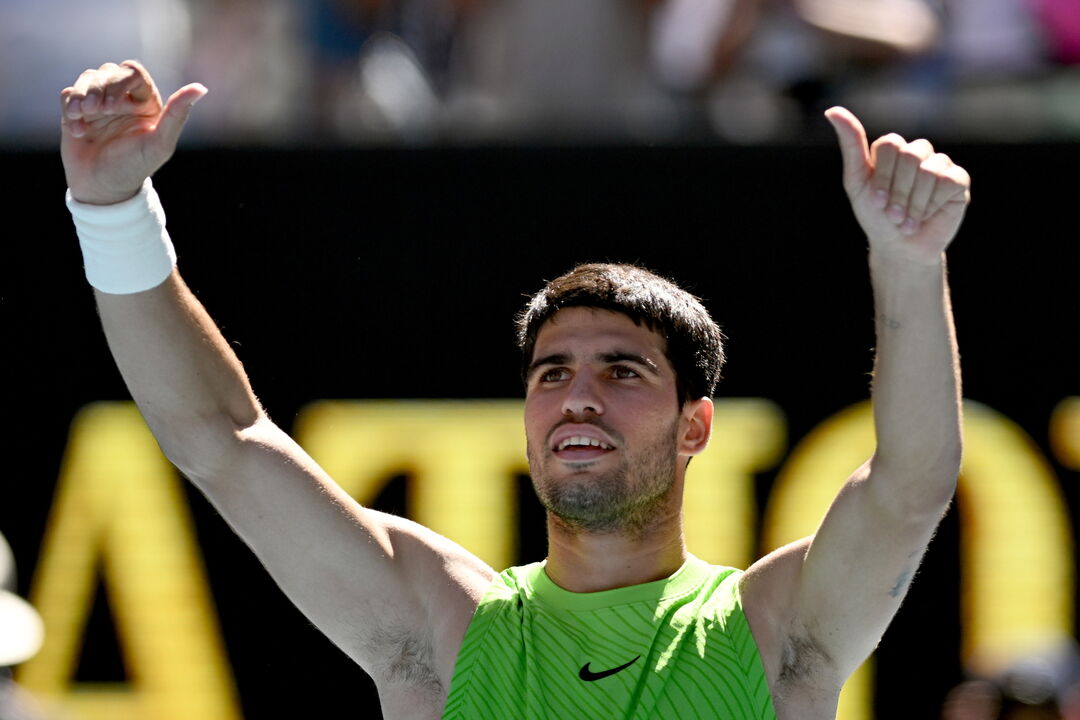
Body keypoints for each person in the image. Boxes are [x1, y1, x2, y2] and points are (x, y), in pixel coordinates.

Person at [59, 60, 970, 719]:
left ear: (696, 426)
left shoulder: (773, 632)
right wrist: (113, 214)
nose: (578, 398)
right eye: (552, 373)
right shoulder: (444, 630)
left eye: (622, 370)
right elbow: (222, 439)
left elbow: (911, 483)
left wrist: (908, 262)